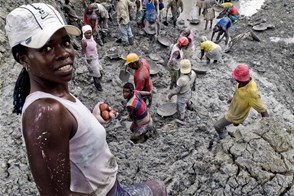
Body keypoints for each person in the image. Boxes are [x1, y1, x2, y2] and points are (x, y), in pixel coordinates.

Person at [5, 3, 167, 195]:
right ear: (23, 58)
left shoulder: (57, 94)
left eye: (65, 42)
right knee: (158, 188)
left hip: (112, 186)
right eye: (47, 48)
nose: (63, 53)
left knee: (157, 187)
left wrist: (93, 120)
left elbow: (70, 141)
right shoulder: (46, 112)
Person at [214, 64, 269, 139]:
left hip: (236, 115)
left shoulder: (251, 92)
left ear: (241, 78)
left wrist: (267, 125)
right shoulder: (242, 83)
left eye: (236, 78)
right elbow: (238, 92)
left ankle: (225, 138)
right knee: (234, 124)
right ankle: (235, 125)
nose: (235, 79)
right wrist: (233, 98)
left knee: (217, 126)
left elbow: (263, 110)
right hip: (234, 109)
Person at [81, 25, 103, 91]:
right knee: (96, 76)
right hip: (91, 60)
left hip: (96, 58)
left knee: (101, 73)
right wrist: (88, 65)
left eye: (90, 32)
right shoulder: (84, 42)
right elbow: (83, 52)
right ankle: (98, 88)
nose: (89, 34)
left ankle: (96, 81)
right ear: (84, 33)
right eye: (87, 33)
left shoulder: (91, 38)